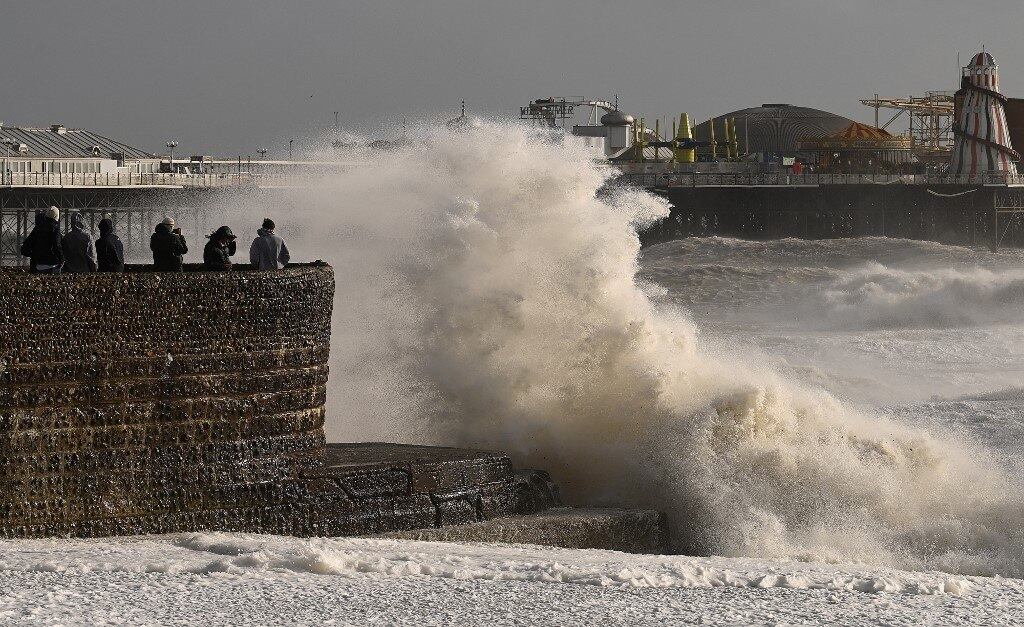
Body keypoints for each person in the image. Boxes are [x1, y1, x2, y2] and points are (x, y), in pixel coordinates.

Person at [20, 206, 63, 274]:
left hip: (36, 267)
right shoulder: (55, 230)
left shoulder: (37, 229)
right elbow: (57, 247)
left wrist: (34, 255)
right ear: (57, 217)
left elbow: (24, 248)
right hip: (52, 267)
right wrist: (62, 260)